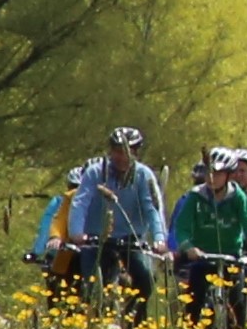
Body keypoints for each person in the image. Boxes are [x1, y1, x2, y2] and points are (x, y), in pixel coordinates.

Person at [39, 126, 168, 307]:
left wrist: (159, 239)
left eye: (126, 152)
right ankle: (94, 321)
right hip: (96, 239)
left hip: (131, 239)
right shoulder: (95, 172)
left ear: (136, 153)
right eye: (117, 151)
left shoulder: (144, 175)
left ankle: (133, 322)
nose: (121, 157)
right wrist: (77, 233)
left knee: (145, 279)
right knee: (92, 287)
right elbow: (80, 203)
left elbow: (152, 208)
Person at [166, 149, 247, 328]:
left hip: (231, 259)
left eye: (218, 173)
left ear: (228, 175)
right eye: (209, 172)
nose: (212, 178)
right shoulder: (195, 196)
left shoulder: (237, 197)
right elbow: (182, 226)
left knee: (239, 304)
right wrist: (188, 247)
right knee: (193, 302)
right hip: (202, 257)